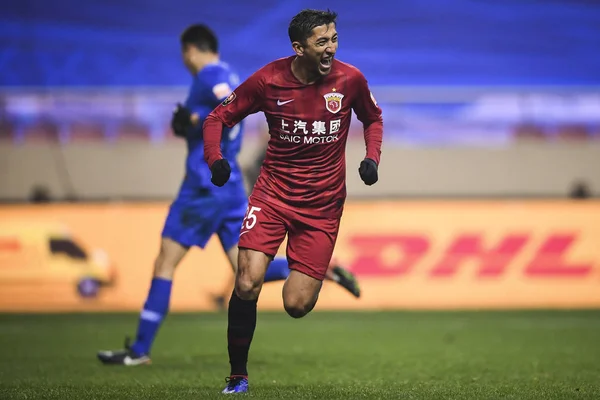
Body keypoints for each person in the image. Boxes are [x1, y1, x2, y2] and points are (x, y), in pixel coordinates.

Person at [96, 23, 361, 367]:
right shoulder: (231, 73)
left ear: (190, 50)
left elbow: (225, 105)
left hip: (202, 188)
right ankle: (325, 270)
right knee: (247, 271)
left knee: (165, 262)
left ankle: (140, 350)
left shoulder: (209, 75)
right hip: (231, 187)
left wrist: (193, 120)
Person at [202, 9, 383, 394]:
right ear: (299, 47)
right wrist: (215, 160)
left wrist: (371, 158)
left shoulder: (350, 80)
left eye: (334, 39)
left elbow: (373, 118)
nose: (331, 47)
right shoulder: (268, 80)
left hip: (323, 205)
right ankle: (237, 375)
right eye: (322, 41)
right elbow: (217, 118)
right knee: (247, 280)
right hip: (273, 194)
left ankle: (324, 273)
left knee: (296, 304)